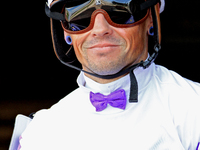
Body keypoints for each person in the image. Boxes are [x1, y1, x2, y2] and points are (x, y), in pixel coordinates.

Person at [18, 0, 200, 149]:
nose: (99, 29)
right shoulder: (40, 132)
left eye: (119, 10)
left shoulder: (194, 110)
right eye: (80, 14)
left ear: (150, 18)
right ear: (65, 30)